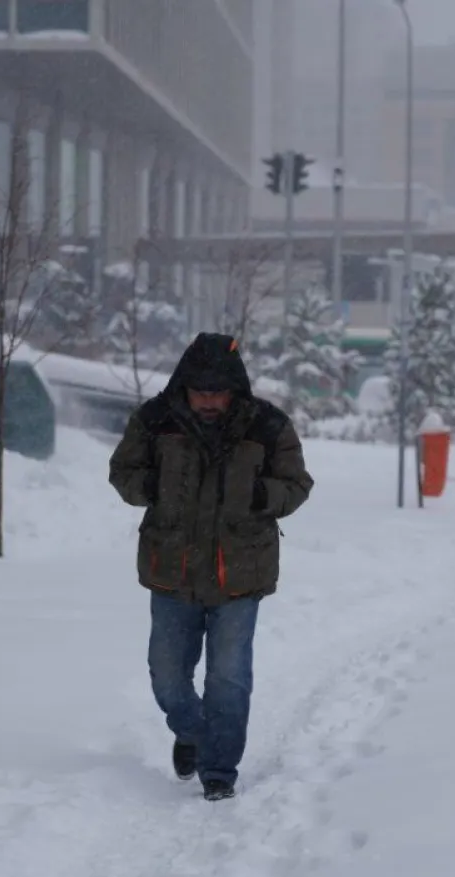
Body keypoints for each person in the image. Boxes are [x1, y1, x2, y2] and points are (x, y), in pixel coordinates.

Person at [108, 332, 314, 801]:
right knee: (166, 675)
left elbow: (297, 483)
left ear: (234, 390)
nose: (208, 401)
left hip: (239, 573)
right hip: (172, 569)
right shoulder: (156, 419)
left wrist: (264, 497)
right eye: (199, 392)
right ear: (184, 386)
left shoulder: (266, 426)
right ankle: (194, 732)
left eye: (217, 393)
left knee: (229, 676)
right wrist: (154, 487)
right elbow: (124, 472)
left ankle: (219, 770)